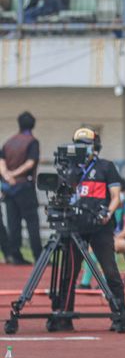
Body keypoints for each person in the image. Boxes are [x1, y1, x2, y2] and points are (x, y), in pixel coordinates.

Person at [62, 127, 125, 333]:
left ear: (95, 147)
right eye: (78, 146)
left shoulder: (106, 167)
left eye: (86, 146)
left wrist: (107, 213)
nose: (82, 150)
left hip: (101, 227)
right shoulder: (70, 168)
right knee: (69, 273)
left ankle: (120, 316)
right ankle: (64, 317)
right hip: (76, 226)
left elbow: (116, 196)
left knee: (109, 271)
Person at [0, 111, 43, 265]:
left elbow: (1, 161)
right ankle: (39, 256)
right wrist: (14, 174)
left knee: (13, 223)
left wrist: (6, 175)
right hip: (24, 187)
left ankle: (15, 255)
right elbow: (30, 163)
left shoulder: (9, 142)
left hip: (9, 188)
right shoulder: (32, 142)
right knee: (32, 223)